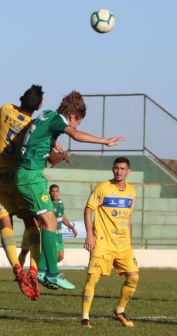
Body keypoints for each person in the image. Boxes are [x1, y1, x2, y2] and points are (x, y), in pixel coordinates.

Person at [15, 91, 124, 291]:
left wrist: (53, 142)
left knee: (48, 224)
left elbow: (37, 132)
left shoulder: (47, 115)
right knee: (49, 223)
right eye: (78, 122)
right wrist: (105, 141)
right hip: (31, 176)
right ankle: (51, 273)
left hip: (31, 175)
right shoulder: (59, 121)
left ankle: (42, 270)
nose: (75, 126)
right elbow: (75, 135)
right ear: (72, 116)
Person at [81, 157, 139, 329]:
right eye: (116, 168)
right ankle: (85, 318)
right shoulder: (103, 187)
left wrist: (130, 240)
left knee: (134, 277)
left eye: (122, 169)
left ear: (129, 171)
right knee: (93, 278)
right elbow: (88, 210)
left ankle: (119, 311)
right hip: (103, 242)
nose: (119, 171)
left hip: (123, 244)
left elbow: (128, 218)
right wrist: (89, 235)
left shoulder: (132, 192)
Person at [0, 85, 44, 300]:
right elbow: (47, 156)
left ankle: (17, 268)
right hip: (19, 178)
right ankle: (34, 270)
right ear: (40, 106)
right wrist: (62, 155)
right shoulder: (33, 126)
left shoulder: (6, 109)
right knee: (32, 223)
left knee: (5, 223)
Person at [18, 184, 77, 272]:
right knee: (28, 251)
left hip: (59, 235)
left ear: (59, 192)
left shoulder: (60, 203)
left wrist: (71, 227)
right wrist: (37, 224)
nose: (55, 193)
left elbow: (62, 216)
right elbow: (39, 214)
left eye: (56, 191)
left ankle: (40, 269)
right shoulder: (47, 203)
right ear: (49, 193)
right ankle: (33, 271)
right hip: (50, 233)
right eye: (53, 191)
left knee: (60, 257)